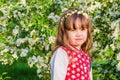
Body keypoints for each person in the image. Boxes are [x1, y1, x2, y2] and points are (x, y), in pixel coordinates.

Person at [50, 8, 93, 80]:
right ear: (65, 32)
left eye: (82, 29)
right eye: (73, 30)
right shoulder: (62, 53)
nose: (79, 34)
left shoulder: (85, 56)